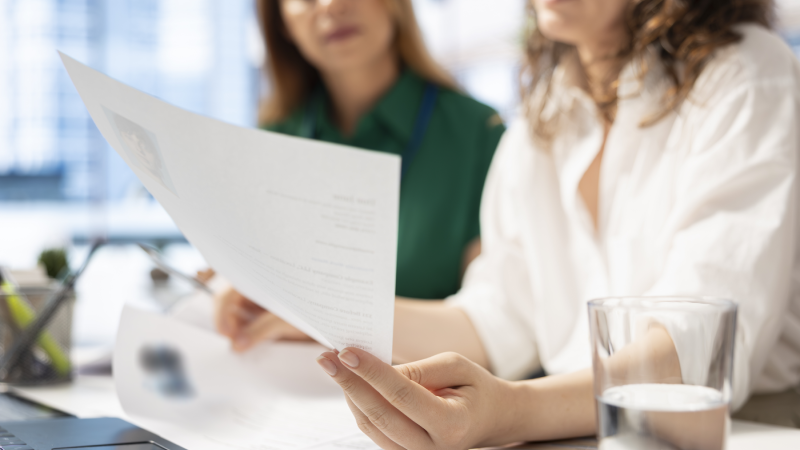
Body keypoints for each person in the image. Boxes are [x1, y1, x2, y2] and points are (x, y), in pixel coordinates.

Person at [314, 0, 800, 447]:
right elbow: (497, 319)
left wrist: (511, 410)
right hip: (574, 427)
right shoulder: (542, 116)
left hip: (750, 429)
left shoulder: (749, 73)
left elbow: (700, 350)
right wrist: (321, 305)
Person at [213, 0, 505, 351]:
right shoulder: (273, 137)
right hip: (289, 386)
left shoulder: (479, 134)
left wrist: (323, 317)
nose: (330, 5)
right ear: (283, 25)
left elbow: (499, 326)